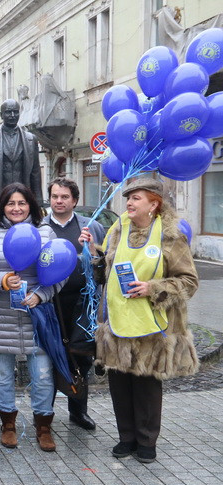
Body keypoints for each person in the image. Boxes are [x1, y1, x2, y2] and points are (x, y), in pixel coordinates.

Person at [81, 177, 198, 464]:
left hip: (153, 324)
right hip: (117, 322)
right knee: (119, 384)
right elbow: (105, 271)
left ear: (153, 204)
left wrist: (153, 288)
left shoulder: (171, 236)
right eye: (128, 198)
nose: (129, 203)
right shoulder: (118, 229)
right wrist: (93, 252)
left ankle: (147, 441)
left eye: (136, 198)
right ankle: (126, 437)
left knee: (146, 385)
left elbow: (189, 282)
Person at [0, 183, 60, 451]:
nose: (16, 208)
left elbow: (60, 272)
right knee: (1, 375)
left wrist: (41, 295)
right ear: (2, 206)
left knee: (42, 376)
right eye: (11, 203)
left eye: (22, 203)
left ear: (31, 205)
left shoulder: (45, 232)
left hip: (37, 316)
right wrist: (1, 280)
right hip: (0, 317)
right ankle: (8, 424)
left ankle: (43, 427)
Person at [43, 178, 105, 431]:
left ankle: (78, 411)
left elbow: (103, 268)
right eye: (55, 196)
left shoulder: (92, 227)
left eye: (64, 197)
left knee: (81, 355)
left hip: (82, 303)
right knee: (48, 357)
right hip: (50, 303)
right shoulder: (39, 227)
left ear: (75, 200)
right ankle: (45, 413)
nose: (59, 201)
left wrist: (93, 251)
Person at [0, 99, 43, 203]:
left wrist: (39, 200)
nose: (13, 115)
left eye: (16, 112)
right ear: (1, 115)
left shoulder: (31, 140)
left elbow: (35, 172)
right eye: (8, 112)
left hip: (23, 197)